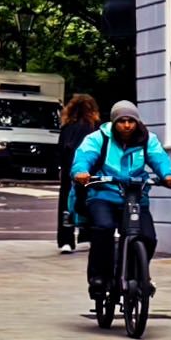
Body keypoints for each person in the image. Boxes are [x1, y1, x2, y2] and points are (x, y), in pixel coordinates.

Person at [68, 103, 171, 311]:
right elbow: (84, 156)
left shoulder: (147, 139)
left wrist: (168, 175)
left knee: (148, 238)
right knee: (104, 228)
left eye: (131, 121)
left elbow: (159, 158)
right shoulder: (98, 138)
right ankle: (99, 277)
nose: (127, 125)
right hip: (103, 194)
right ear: (114, 122)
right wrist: (81, 171)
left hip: (135, 197)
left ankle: (137, 275)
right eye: (122, 121)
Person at [52, 90, 103, 252]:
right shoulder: (96, 128)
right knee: (91, 202)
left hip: (70, 171)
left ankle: (66, 240)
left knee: (66, 204)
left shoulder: (67, 128)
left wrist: (61, 168)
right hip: (92, 171)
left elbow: (60, 151)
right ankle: (89, 234)